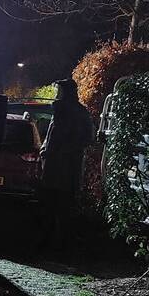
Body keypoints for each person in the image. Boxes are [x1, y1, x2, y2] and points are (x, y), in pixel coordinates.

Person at [39, 78, 94, 247]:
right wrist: (44, 149)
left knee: (60, 208)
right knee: (55, 207)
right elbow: (51, 135)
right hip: (59, 167)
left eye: (59, 91)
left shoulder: (71, 112)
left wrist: (57, 151)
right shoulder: (65, 111)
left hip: (64, 168)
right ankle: (54, 243)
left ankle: (58, 244)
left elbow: (85, 138)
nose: (57, 94)